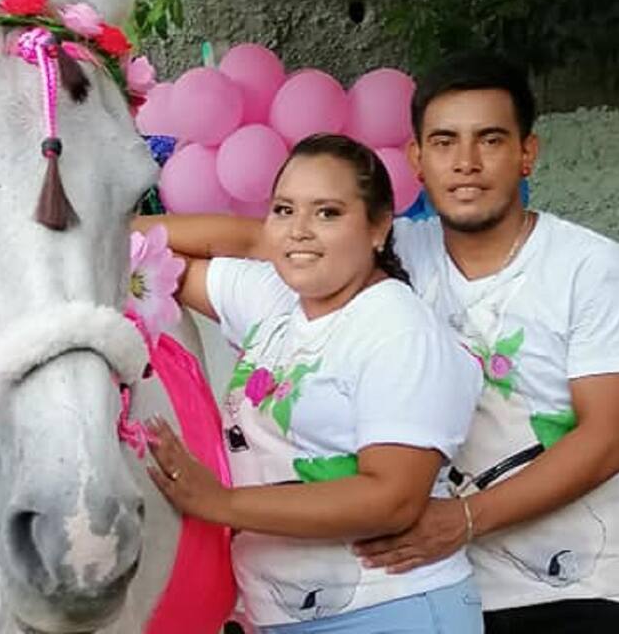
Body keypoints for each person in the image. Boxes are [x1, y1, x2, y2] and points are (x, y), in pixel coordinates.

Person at [146, 51, 619, 634]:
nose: (466, 163)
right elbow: (256, 238)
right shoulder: (396, 253)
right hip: (427, 575)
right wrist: (93, 237)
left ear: (527, 153)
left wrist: (467, 518)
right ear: (417, 160)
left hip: (569, 581)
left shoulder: (589, 267)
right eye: (444, 142)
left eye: (490, 140)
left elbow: (605, 440)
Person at [142, 133, 483, 633]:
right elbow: (151, 260)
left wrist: (222, 503)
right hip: (282, 614)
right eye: (284, 211)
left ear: (379, 227)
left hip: (389, 610)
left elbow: (392, 498)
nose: (299, 231)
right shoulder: (275, 300)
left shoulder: (397, 329)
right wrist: (91, 232)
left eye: (327, 213)